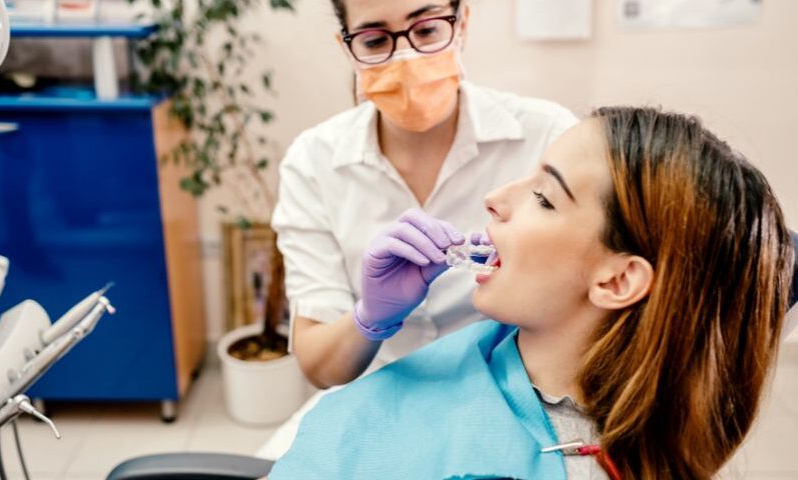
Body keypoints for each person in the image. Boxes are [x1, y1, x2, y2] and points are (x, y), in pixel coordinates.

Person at [269, 107, 795, 480]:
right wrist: (369, 318)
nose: (495, 200)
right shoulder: (494, 350)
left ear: (616, 280)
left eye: (543, 197)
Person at [270, 0, 577, 389]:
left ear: (462, 22)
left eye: (427, 29)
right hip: (375, 391)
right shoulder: (313, 161)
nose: (405, 57)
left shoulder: (547, 137)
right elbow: (320, 367)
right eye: (375, 39)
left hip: (516, 390)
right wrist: (371, 317)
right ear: (348, 48)